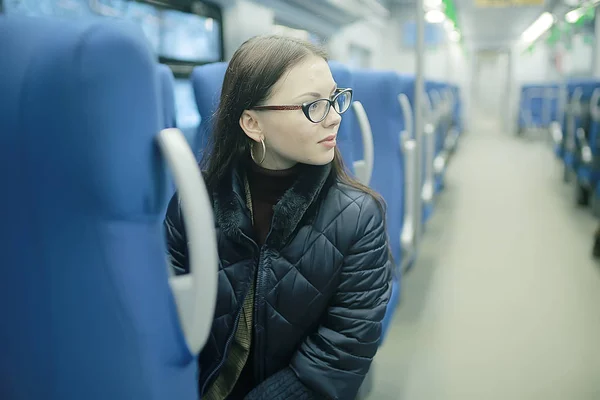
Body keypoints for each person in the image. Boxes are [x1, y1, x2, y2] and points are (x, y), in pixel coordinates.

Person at [164, 35, 393, 400]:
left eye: (335, 99)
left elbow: (338, 357)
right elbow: (165, 326)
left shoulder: (360, 217)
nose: (334, 117)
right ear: (253, 124)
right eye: (313, 106)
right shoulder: (192, 206)